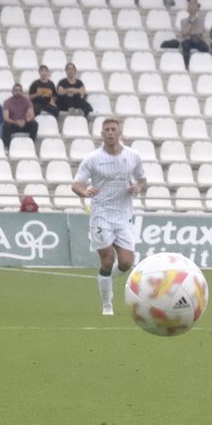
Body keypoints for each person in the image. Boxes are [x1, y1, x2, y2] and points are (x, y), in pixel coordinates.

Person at [72, 117, 147, 316]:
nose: (111, 132)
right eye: (107, 129)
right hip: (101, 215)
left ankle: (107, 279)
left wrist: (138, 187)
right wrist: (84, 191)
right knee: (107, 259)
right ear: (102, 134)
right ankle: (107, 304)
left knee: (126, 262)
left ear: (119, 132)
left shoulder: (133, 156)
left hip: (123, 215)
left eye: (114, 129)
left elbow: (142, 179)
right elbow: (76, 184)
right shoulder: (92, 159)